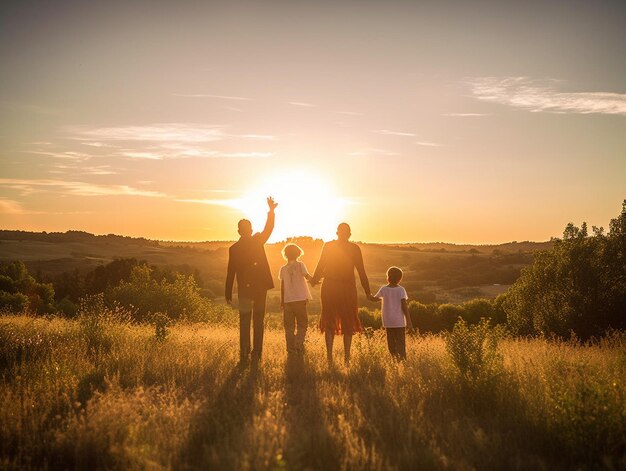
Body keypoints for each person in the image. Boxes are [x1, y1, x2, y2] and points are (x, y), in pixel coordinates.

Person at [310, 223, 373, 366]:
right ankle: (347, 358)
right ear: (349, 234)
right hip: (347, 287)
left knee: (329, 321)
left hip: (330, 287)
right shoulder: (354, 249)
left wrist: (314, 280)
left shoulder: (328, 246)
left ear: (337, 232)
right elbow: (361, 272)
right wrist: (368, 292)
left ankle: (329, 358)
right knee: (348, 321)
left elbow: (320, 266)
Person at [225, 197, 278, 364]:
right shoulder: (257, 241)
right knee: (258, 321)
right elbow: (269, 229)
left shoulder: (234, 248)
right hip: (259, 287)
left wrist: (228, 293)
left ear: (239, 231)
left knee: (245, 321)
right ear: (250, 229)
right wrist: (271, 211)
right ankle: (257, 353)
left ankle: (244, 354)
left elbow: (230, 272)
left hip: (244, 289)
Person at [368, 266, 413, 361]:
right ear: (400, 279)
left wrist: (368, 294)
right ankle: (402, 362)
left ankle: (394, 361)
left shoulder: (384, 289)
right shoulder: (401, 290)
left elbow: (374, 299)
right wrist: (409, 322)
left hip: (388, 322)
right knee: (401, 344)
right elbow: (405, 307)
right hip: (400, 322)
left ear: (387, 276)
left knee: (391, 344)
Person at [279, 243, 312, 356]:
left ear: (286, 255)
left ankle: (291, 349)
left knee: (289, 326)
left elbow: (282, 287)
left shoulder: (283, 269)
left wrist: (282, 302)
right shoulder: (300, 265)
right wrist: (315, 280)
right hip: (300, 299)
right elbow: (307, 277)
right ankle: (298, 343)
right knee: (303, 324)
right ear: (298, 254)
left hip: (288, 301)